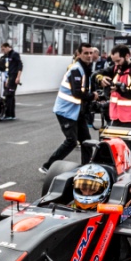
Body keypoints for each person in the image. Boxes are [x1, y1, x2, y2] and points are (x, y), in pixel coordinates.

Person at [39, 44, 96, 173]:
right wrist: (93, 96)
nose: (89, 56)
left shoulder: (86, 68)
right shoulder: (76, 69)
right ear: (79, 54)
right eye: (86, 53)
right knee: (71, 141)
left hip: (76, 111)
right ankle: (47, 166)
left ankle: (86, 169)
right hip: (66, 111)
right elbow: (77, 93)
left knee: (86, 141)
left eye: (90, 53)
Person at [97, 44, 131, 153]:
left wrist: (119, 88)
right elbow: (97, 73)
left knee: (128, 152)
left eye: (118, 61)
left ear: (127, 56)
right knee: (116, 150)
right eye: (114, 61)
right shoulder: (117, 68)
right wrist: (100, 78)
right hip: (117, 117)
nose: (116, 64)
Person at [0, 41, 22, 119]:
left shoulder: (15, 54)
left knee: (9, 94)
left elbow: (20, 66)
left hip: (14, 77)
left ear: (7, 47)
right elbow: (9, 69)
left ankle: (9, 115)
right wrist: (7, 80)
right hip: (10, 77)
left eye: (3, 49)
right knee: (10, 95)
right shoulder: (8, 56)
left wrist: (18, 77)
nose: (3, 51)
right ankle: (11, 115)